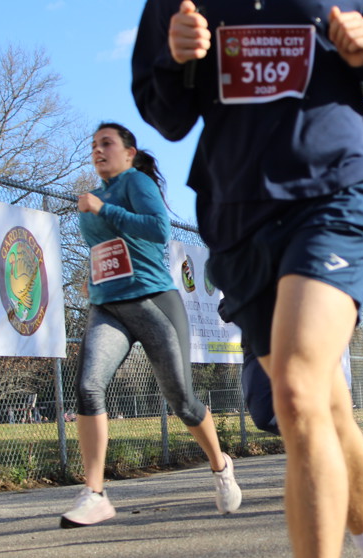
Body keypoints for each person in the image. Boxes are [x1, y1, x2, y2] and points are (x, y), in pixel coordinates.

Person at [133, 3, 363, 558]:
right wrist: (176, 62)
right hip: (238, 213)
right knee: (324, 410)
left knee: (296, 392)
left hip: (335, 191)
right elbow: (164, 114)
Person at [62, 122, 241, 528]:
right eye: (93, 145)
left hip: (153, 301)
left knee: (182, 401)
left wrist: (103, 209)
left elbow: (158, 230)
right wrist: (94, 274)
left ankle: (220, 465)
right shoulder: (95, 195)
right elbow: (107, 249)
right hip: (108, 306)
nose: (97, 150)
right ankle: (95, 493)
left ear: (128, 153)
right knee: (88, 387)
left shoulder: (136, 183)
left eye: (106, 143)